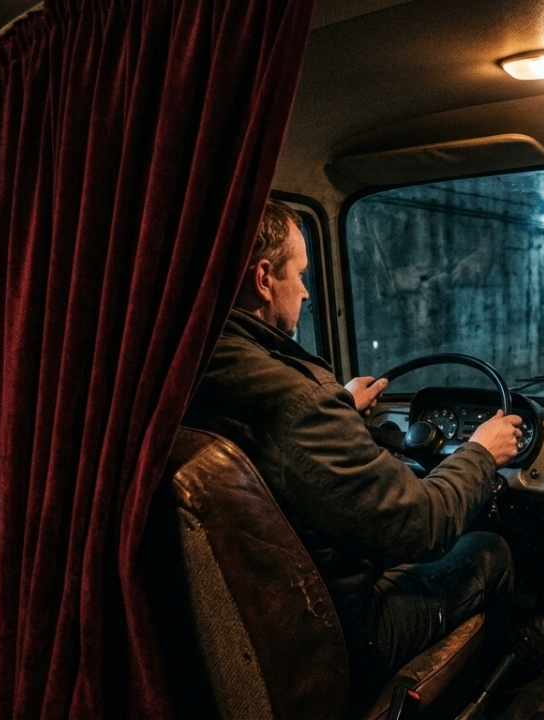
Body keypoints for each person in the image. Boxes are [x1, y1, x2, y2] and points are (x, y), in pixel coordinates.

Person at [183, 199, 524, 713]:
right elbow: (424, 525)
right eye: (300, 274)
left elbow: (286, 442)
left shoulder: (189, 366)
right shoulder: (300, 404)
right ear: (263, 278)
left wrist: (338, 406)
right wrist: (481, 451)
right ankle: (503, 693)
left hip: (275, 621)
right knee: (490, 550)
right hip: (346, 638)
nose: (305, 290)